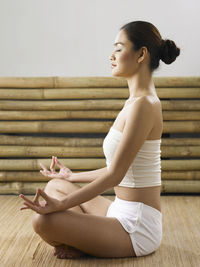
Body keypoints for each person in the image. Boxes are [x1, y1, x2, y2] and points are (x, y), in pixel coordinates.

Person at [19, 20, 180, 259]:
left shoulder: (144, 105)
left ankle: (84, 241)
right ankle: (86, 239)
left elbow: (115, 175)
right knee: (56, 186)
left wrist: (61, 206)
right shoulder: (134, 103)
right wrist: (71, 176)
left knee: (43, 222)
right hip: (117, 211)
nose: (111, 56)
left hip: (136, 227)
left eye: (118, 48)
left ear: (141, 54)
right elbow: (120, 169)